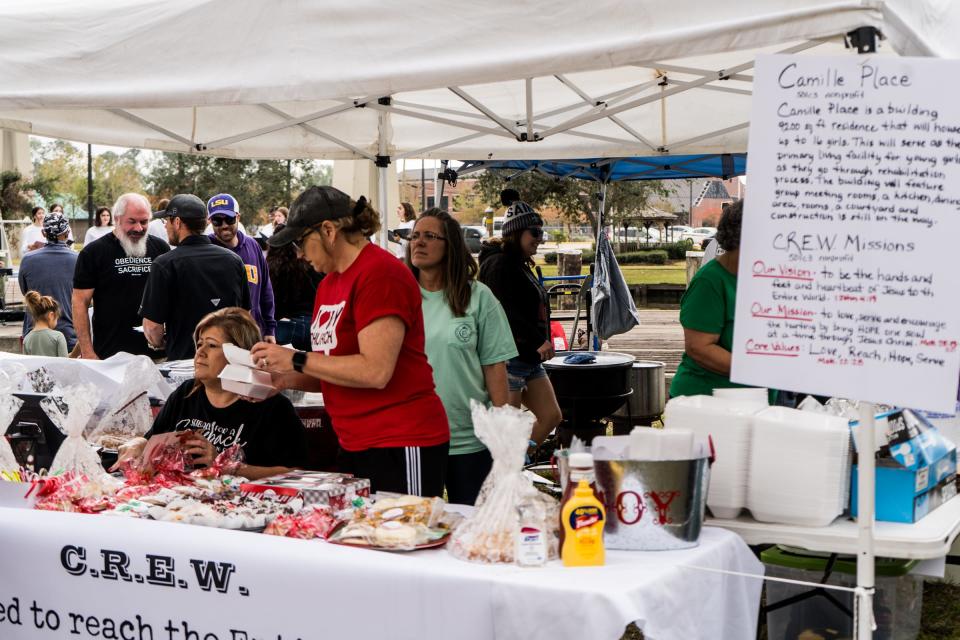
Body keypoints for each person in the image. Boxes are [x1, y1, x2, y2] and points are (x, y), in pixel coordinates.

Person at [250, 186, 449, 497]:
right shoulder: (329, 284)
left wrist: (295, 359)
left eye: (302, 241)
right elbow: (335, 369)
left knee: (401, 538)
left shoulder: (381, 274)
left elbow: (375, 371)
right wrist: (282, 379)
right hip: (354, 442)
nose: (300, 253)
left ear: (329, 231)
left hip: (400, 440)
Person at [407, 208, 516, 505]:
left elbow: (495, 369)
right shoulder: (399, 297)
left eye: (430, 236)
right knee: (416, 531)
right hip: (415, 438)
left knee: (477, 533)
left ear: (451, 245)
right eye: (415, 236)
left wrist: (503, 434)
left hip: (471, 441)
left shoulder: (479, 297)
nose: (419, 242)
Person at [131, 308, 307, 480]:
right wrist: (135, 445)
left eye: (212, 345)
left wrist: (225, 466)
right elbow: (150, 439)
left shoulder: (272, 407)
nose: (200, 352)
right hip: (181, 503)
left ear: (239, 354)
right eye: (199, 344)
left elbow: (295, 473)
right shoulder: (186, 393)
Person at [478, 201, 561, 446]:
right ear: (516, 233)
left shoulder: (519, 264)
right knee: (507, 431)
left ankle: (517, 463)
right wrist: (537, 340)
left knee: (551, 416)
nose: (540, 238)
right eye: (534, 232)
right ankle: (506, 471)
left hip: (528, 359)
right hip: (509, 360)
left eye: (541, 232)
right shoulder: (499, 264)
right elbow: (504, 312)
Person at [670, 201, 768, 399]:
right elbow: (699, 347)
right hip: (706, 403)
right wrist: (755, 370)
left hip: (750, 402)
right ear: (739, 239)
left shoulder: (761, 278)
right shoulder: (710, 281)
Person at [140, 194, 250, 361]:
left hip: (184, 363)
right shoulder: (234, 260)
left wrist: (160, 342)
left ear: (177, 222)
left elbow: (152, 327)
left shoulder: (165, 264)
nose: (165, 227)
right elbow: (245, 314)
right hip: (228, 363)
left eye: (167, 221)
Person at [72, 193, 171, 360]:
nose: (139, 228)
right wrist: (87, 351)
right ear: (117, 219)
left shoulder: (161, 249)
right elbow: (79, 303)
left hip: (156, 355)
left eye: (144, 222)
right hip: (111, 356)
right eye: (132, 221)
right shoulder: (93, 253)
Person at [207, 193, 277, 342]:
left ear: (238, 217)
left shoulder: (253, 246)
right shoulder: (207, 250)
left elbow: (265, 288)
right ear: (210, 221)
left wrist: (270, 329)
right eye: (217, 221)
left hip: (253, 334)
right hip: (220, 337)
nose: (224, 225)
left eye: (229, 219)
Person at [19, 211, 78, 350]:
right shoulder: (78, 260)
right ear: (67, 232)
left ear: (44, 233)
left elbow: (26, 292)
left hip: (34, 336)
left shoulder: (28, 260)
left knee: (37, 372)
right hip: (69, 335)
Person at [267, 224, 323, 351]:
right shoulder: (312, 264)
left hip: (285, 327)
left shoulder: (271, 269)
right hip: (314, 327)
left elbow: (272, 303)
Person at [22, 291, 68, 357]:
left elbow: (27, 365)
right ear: (51, 315)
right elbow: (64, 363)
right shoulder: (58, 336)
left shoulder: (26, 339)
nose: (57, 322)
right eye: (57, 318)